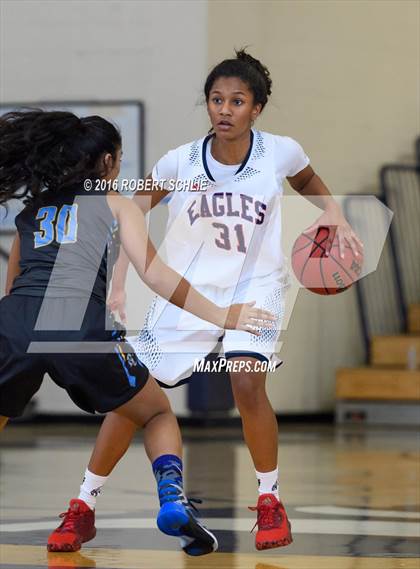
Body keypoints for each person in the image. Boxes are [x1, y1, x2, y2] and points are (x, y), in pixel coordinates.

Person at [51, 49, 363, 552]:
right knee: (132, 399)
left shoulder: (280, 152)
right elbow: (131, 213)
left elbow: (304, 178)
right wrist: (119, 279)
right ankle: (83, 506)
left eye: (236, 101)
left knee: (245, 382)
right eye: (217, 99)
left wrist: (334, 214)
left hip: (255, 287)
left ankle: (269, 500)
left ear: (256, 108)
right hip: (189, 291)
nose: (224, 109)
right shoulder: (178, 161)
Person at [0, 109, 275, 555]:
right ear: (107, 162)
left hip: (12, 323)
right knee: (156, 413)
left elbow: (14, 284)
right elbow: (157, 275)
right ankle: (171, 497)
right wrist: (222, 314)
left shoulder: (32, 211)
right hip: (75, 325)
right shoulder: (116, 204)